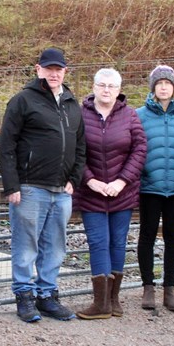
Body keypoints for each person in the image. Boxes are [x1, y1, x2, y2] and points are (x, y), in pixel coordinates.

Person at [0, 47, 86, 323]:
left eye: (58, 69)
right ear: (38, 70)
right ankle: (24, 296)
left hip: (62, 190)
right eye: (48, 69)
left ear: (65, 72)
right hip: (30, 187)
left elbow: (80, 145)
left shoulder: (72, 104)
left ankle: (47, 295)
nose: (53, 73)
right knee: (26, 245)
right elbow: (6, 145)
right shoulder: (23, 101)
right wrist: (12, 185)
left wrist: (74, 179)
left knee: (55, 246)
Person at [72, 68, 145, 319]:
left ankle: (113, 300)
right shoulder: (79, 115)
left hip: (121, 194)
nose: (106, 90)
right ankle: (101, 302)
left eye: (112, 86)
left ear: (119, 90)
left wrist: (122, 181)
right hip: (91, 193)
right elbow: (73, 150)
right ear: (93, 87)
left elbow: (139, 150)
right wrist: (89, 180)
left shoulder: (130, 116)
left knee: (117, 242)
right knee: (98, 243)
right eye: (102, 85)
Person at [135, 65, 174, 313]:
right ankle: (148, 286)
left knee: (173, 237)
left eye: (167, 83)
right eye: (159, 83)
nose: (163, 87)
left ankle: (169, 288)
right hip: (149, 186)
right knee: (147, 236)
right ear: (153, 87)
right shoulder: (139, 115)